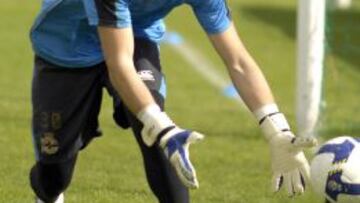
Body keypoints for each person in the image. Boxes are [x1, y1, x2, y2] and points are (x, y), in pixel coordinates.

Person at [29, 0, 317, 202]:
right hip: (65, 47)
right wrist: (162, 126)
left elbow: (238, 61)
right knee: (54, 175)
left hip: (135, 37)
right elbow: (119, 65)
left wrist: (276, 129)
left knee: (158, 143)